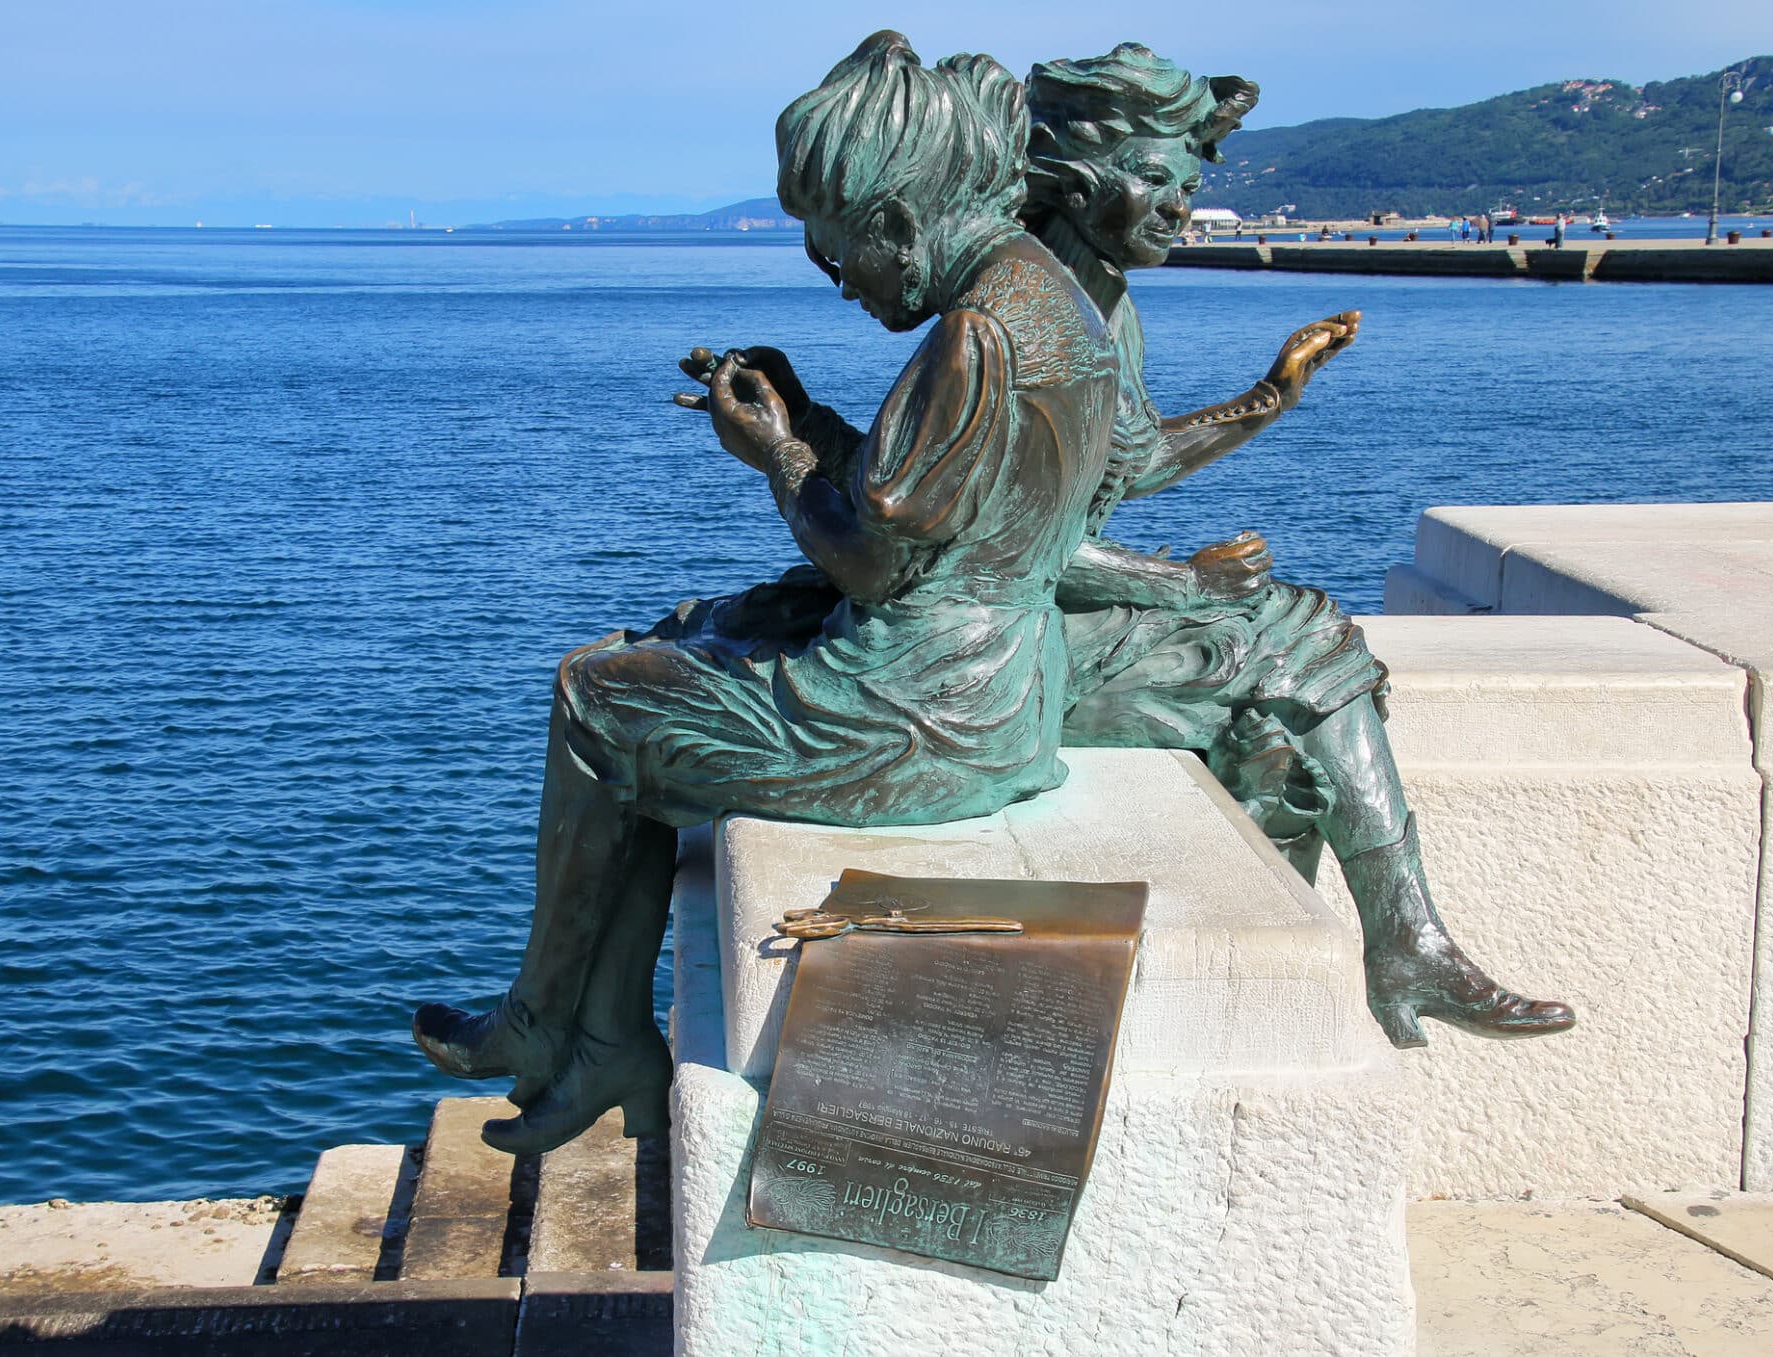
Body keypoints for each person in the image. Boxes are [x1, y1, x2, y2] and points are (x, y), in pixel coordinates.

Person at [411, 31, 1119, 1153]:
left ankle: (547, 1023)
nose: (841, 283)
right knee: (683, 648)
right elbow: (935, 494)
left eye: (839, 256)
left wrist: (776, 460)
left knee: (598, 699)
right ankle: (601, 1040)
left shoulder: (976, 335)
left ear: (895, 223)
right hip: (1006, 686)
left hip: (923, 717)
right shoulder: (1049, 301)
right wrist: (815, 423)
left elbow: (875, 561)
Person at [1022, 44, 1572, 1048]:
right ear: (1071, 174)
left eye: (1184, 185)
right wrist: (1180, 581)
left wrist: (1270, 393)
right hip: (1018, 649)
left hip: (1054, 612)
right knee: (1297, 642)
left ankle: (1376, 945)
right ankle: (1393, 943)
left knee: (1299, 638)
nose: (1176, 209)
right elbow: (1012, 551)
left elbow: (1130, 460)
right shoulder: (1032, 324)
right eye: (1153, 179)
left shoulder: (1097, 305)